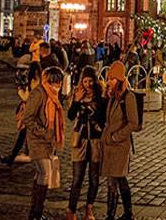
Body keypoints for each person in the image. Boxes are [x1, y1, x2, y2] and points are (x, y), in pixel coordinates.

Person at [22, 66, 66, 220]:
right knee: (45, 173)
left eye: (60, 81)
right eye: (55, 81)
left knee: (41, 174)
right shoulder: (39, 93)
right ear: (48, 80)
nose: (58, 84)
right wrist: (44, 132)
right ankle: (36, 213)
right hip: (37, 140)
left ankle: (34, 212)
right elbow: (28, 118)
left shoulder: (53, 95)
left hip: (48, 141)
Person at [101, 61, 141, 220]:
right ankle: (121, 213)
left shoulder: (128, 97)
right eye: (108, 78)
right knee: (116, 178)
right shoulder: (112, 96)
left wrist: (117, 136)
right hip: (110, 144)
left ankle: (118, 214)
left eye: (112, 79)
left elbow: (133, 122)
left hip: (120, 145)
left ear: (119, 79)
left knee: (116, 178)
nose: (109, 82)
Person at [66, 67, 107, 220]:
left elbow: (104, 119)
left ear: (95, 81)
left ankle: (89, 209)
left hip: (96, 141)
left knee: (94, 178)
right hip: (80, 140)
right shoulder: (77, 95)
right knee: (77, 178)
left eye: (90, 81)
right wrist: (76, 101)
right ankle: (71, 209)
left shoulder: (101, 98)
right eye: (85, 81)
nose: (88, 84)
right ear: (81, 82)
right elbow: (70, 116)